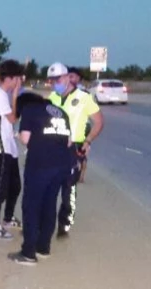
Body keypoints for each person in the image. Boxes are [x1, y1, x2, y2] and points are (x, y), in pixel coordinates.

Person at [8, 92, 76, 266]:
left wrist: (21, 136)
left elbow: (25, 138)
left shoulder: (30, 109)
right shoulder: (60, 111)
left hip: (40, 165)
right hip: (61, 165)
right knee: (49, 203)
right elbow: (69, 141)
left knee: (31, 206)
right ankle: (43, 247)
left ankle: (28, 253)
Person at [46, 62, 104, 238]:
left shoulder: (84, 97)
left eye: (57, 79)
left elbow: (99, 122)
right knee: (49, 187)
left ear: (67, 78)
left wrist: (88, 141)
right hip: (53, 146)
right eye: (52, 80)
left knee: (68, 188)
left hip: (75, 148)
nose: (54, 83)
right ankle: (46, 223)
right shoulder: (52, 98)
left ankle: (64, 224)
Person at [0, 59, 24, 240]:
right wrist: (16, 95)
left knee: (15, 185)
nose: (20, 81)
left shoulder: (1, 94)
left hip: (9, 147)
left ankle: (7, 218)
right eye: (18, 78)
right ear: (11, 78)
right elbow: (12, 118)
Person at [67, 66, 91, 183]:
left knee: (80, 153)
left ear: (79, 78)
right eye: (69, 76)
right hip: (69, 128)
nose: (71, 79)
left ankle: (80, 175)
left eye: (73, 76)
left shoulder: (83, 93)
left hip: (81, 128)